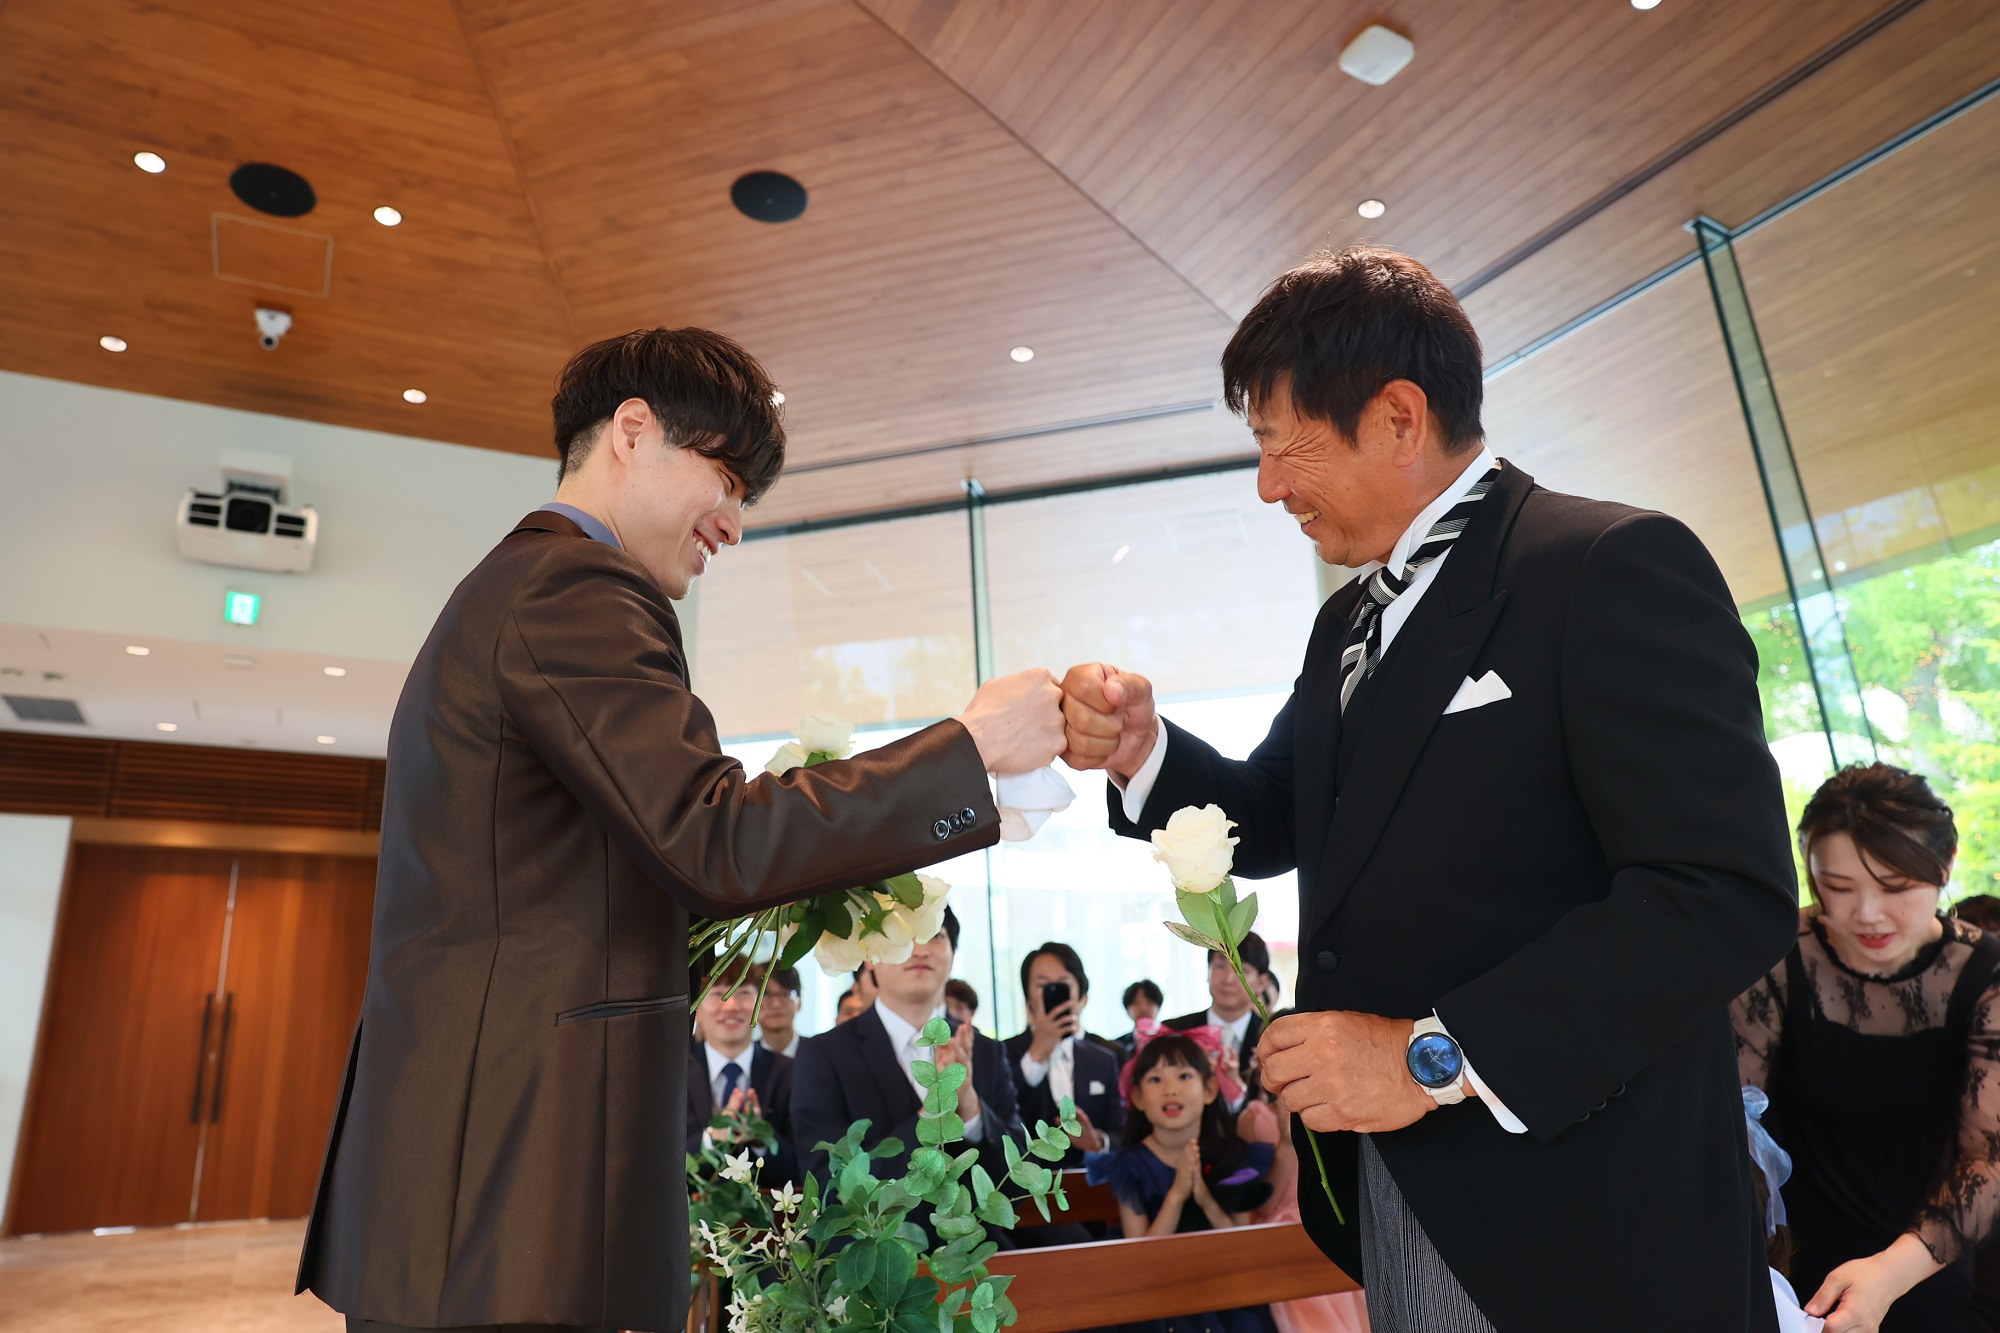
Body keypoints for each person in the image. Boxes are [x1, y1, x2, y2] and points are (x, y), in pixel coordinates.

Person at [1060, 246, 1797, 1332]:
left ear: (1399, 418)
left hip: (1582, 1222)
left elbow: (1721, 890)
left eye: (1283, 443)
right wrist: (1142, 750)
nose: (1267, 484)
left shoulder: (1607, 564)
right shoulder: (1346, 622)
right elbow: (1277, 813)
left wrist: (1426, 1058)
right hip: (1394, 1195)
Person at [295, 327, 1067, 1333]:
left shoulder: (519, 586)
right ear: (632, 430)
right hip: (507, 1186)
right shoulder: (570, 586)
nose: (733, 525)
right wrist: (969, 747)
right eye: (727, 479)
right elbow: (713, 840)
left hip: (477, 1181)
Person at [1734, 764, 2000, 1331]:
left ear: (1946, 866)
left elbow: (1988, 1160)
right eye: (1838, 887)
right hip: (1787, 1256)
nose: (1868, 914)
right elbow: (1735, 1123)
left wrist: (1887, 1276)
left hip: (1931, 1251)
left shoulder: (1986, 975)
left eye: (1895, 887)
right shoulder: (1776, 955)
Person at [792, 907, 1023, 1187]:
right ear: (870, 956)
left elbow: (1019, 1177)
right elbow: (827, 1182)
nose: (920, 950)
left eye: (935, 935)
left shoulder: (985, 1051)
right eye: (902, 935)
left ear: (952, 954)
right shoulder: (824, 1055)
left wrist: (971, 1108)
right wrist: (932, 1116)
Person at [1085, 1030, 1275, 1333]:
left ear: (1209, 1089)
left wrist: (1205, 1199)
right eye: (1155, 1079)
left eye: (1184, 1076)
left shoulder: (1232, 1156)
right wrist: (1177, 1195)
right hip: (1159, 1298)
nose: (1170, 1090)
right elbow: (1141, 1259)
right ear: (1138, 1097)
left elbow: (1240, 1249)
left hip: (1224, 1291)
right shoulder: (1128, 1166)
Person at [1003, 942, 1122, 1163]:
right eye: (1043, 985)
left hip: (1088, 1179)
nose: (1053, 992)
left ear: (1081, 995)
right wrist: (1036, 1055)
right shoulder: (1002, 1053)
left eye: (1063, 984)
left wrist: (1098, 1142)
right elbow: (999, 1120)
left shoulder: (1103, 1059)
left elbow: (1122, 1131)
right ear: (1028, 997)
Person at [687, 959, 796, 1185]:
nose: (731, 1006)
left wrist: (761, 1137)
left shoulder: (789, 1072)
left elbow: (801, 1165)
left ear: (761, 1006)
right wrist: (712, 1138)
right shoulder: (675, 1074)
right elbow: (660, 1158)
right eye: (718, 994)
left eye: (743, 993)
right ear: (697, 1010)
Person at [1167, 933, 1272, 1101]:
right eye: (1220, 966)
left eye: (1241, 969)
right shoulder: (1173, 1033)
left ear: (1262, 982)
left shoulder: (1271, 1038)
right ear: (1207, 971)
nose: (1228, 979)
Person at [757, 965, 804, 1061]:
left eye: (785, 994)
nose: (776, 1004)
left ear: (799, 1003)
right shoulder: (746, 1058)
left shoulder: (821, 1054)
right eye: (765, 995)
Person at [1121, 979, 1164, 1061]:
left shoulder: (1171, 1042)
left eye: (1149, 1003)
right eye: (1136, 1003)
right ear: (1127, 1009)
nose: (1143, 1008)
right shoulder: (1117, 1046)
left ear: (1158, 1007)